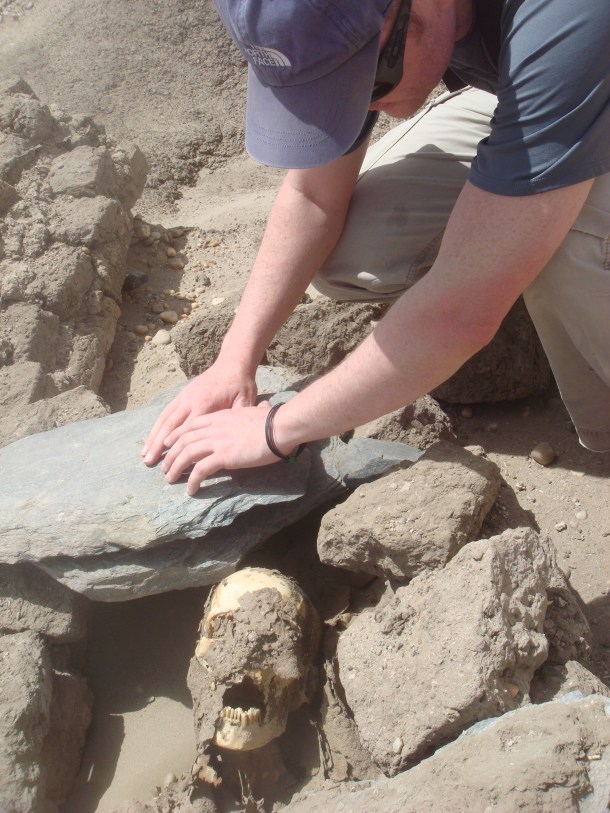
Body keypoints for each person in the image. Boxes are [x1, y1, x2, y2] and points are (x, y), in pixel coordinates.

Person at [142, 0, 610, 496]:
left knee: (560, 237)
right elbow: (313, 197)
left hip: (577, 64)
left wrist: (277, 428)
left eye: (366, 84)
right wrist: (233, 362)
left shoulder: (568, 14)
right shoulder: (377, 24)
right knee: (362, 244)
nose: (358, 108)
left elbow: (460, 314)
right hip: (539, 83)